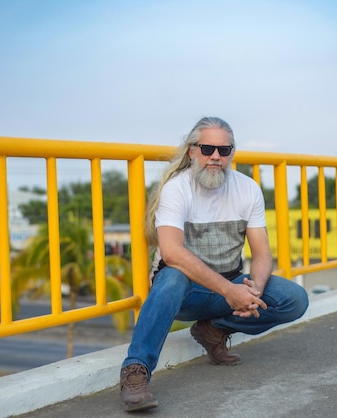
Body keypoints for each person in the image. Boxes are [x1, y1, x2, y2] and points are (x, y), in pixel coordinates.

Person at [119, 116, 309, 412]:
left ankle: (214, 330)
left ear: (233, 153)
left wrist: (253, 291)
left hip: (228, 289)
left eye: (224, 150)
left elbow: (261, 255)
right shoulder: (177, 188)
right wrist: (229, 292)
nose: (216, 157)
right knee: (172, 278)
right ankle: (135, 372)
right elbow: (171, 252)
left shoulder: (248, 189)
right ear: (193, 151)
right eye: (207, 149)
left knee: (294, 298)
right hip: (187, 293)